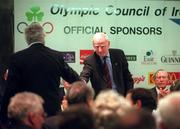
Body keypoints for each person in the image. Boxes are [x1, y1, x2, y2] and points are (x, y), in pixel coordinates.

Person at [0, 23, 80, 125]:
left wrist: (3, 118)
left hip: (27, 115)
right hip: (52, 114)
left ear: (27, 39)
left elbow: (10, 90)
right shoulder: (56, 56)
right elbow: (76, 80)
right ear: (43, 37)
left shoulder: (17, 58)